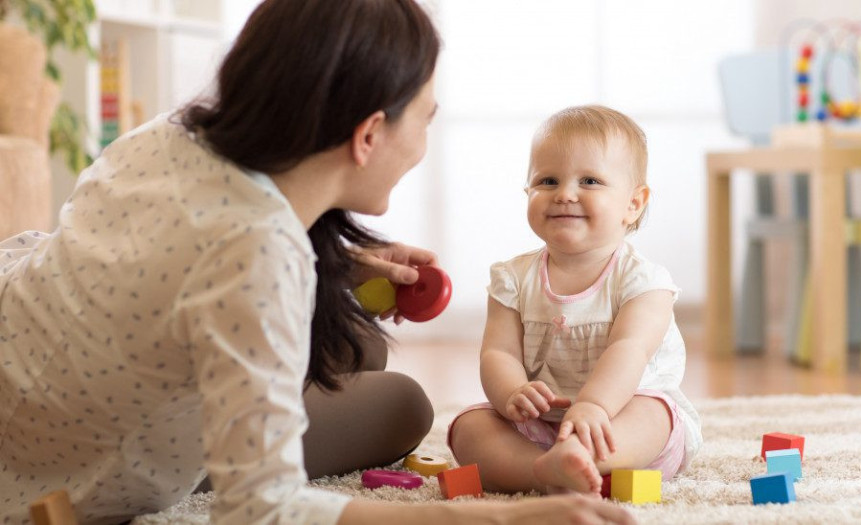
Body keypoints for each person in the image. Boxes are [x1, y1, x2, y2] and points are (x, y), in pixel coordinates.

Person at [0, 1, 634, 524]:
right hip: (66, 472)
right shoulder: (258, 260)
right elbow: (261, 509)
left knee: (362, 341)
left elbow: (186, 253)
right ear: (369, 135)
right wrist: (499, 519)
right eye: (425, 121)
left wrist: (343, 261)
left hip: (28, 352)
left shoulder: (171, 134)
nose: (423, 144)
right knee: (403, 405)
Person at [448, 105, 703, 495]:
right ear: (528, 192)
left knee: (655, 415)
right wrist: (512, 392)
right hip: (541, 426)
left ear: (633, 203)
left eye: (590, 181)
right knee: (469, 427)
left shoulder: (644, 282)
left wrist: (594, 406)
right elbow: (498, 352)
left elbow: (629, 350)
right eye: (548, 181)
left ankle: (582, 459)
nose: (565, 194)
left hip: (618, 418)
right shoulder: (512, 279)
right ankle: (543, 470)